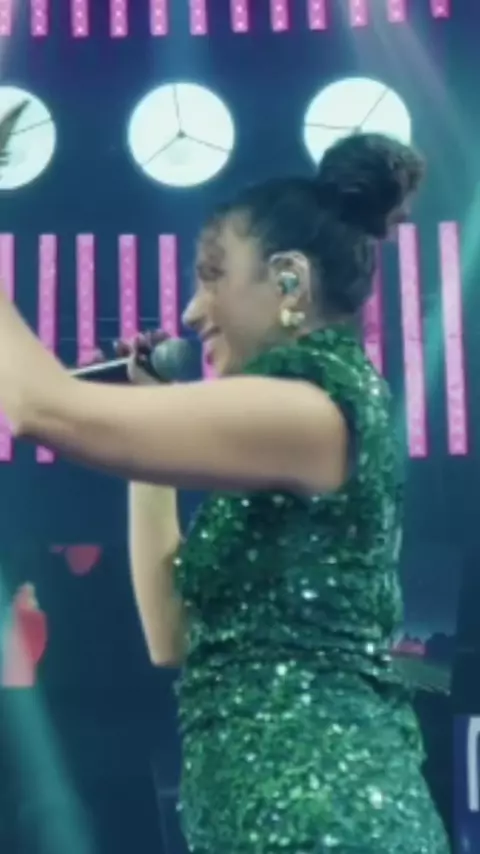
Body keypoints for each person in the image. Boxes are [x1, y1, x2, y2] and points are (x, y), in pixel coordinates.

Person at [0, 132, 449, 853]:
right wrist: (151, 415)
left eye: (212, 276)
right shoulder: (288, 429)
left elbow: (39, 408)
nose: (189, 311)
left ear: (290, 282)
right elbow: (170, 636)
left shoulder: (317, 406)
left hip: (329, 825)